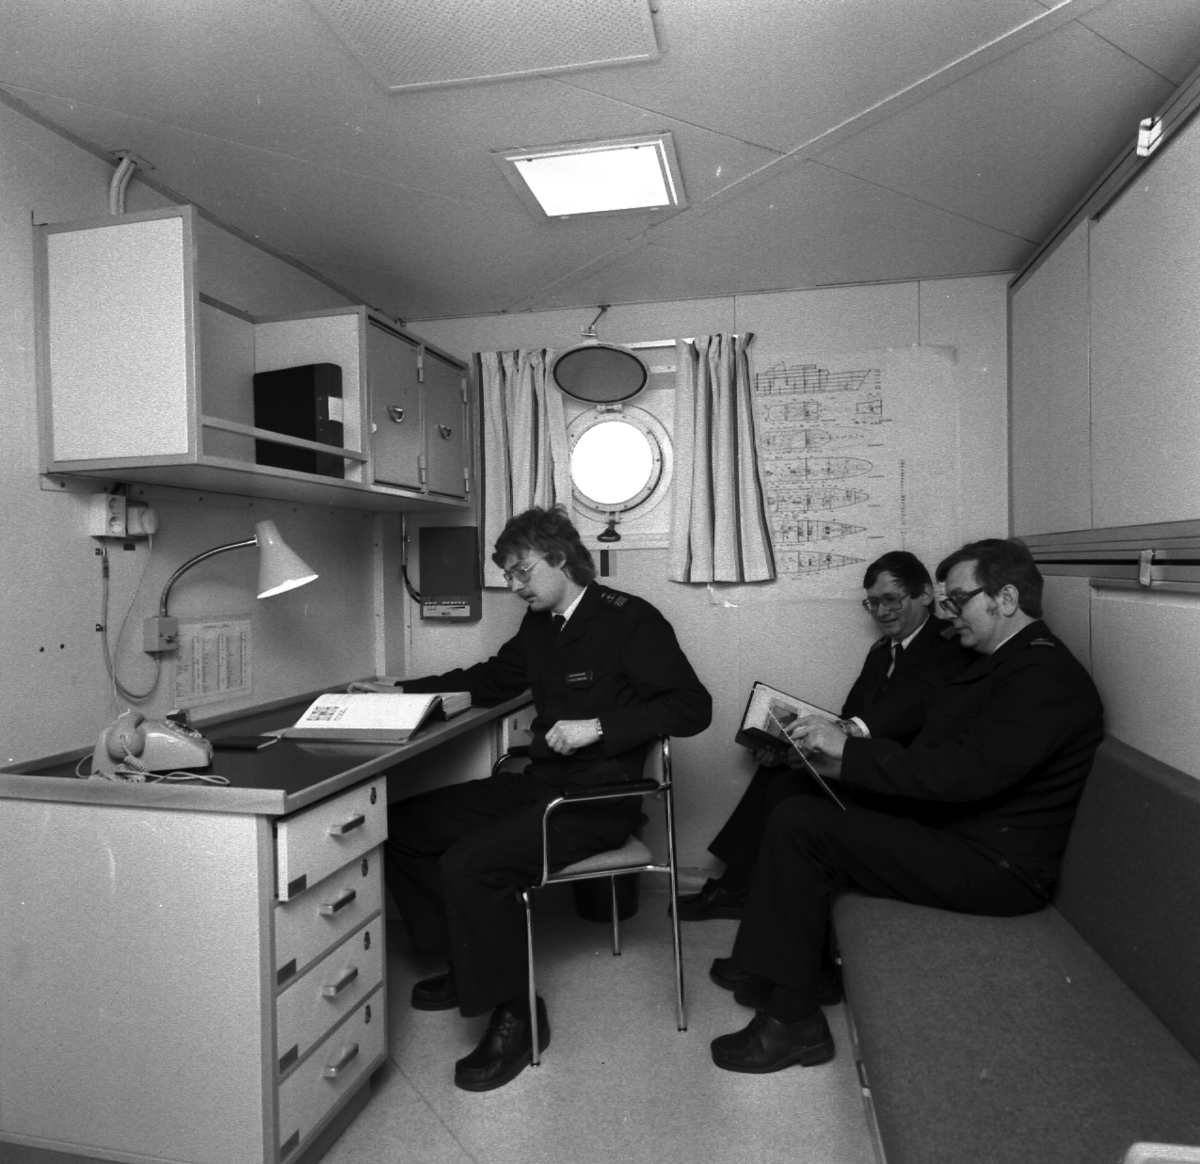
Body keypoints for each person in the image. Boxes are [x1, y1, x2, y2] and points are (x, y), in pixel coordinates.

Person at [709, 538, 1103, 1075]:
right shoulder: (1004, 664)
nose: (948, 613)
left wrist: (851, 754)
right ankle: (798, 974)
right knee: (799, 795)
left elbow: (965, 772)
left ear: (1006, 599)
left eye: (958, 600)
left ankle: (793, 1020)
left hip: (994, 866)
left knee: (804, 825)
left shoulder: (1044, 676)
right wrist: (837, 765)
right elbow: (943, 756)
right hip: (957, 830)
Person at [383, 506, 712, 1092]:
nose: (514, 586)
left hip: (596, 801)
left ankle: (519, 1016)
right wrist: (395, 693)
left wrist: (599, 727)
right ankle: (465, 959)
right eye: (508, 575)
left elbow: (692, 707)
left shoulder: (630, 619)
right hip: (540, 785)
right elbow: (489, 680)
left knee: (472, 863)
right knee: (403, 827)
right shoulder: (541, 624)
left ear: (559, 559)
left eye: (521, 571)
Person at [676, 550, 973, 923]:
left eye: (892, 599)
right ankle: (739, 884)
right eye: (873, 603)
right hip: (866, 767)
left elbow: (913, 706)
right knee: (776, 769)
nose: (882, 612)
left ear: (925, 594)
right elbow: (848, 717)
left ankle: (755, 891)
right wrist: (791, 746)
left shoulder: (951, 647)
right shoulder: (881, 654)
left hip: (899, 778)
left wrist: (839, 736)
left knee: (788, 787)